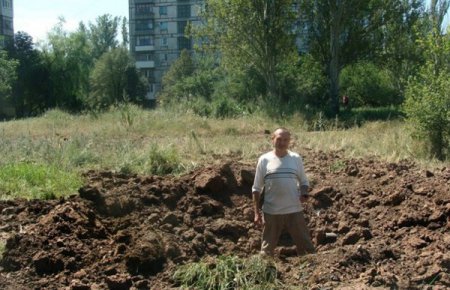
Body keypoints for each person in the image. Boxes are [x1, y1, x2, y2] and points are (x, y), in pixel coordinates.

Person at [252, 128, 315, 256]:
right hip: (271, 212)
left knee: (307, 248)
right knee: (266, 251)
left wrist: (304, 193)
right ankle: (265, 271)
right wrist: (256, 213)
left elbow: (304, 182)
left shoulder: (295, 158)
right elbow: (256, 188)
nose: (282, 142)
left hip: (294, 210)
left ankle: (313, 271)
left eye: (285, 140)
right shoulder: (264, 160)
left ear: (289, 141)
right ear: (273, 140)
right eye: (279, 139)